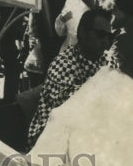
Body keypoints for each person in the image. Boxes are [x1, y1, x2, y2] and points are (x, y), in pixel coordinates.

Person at [26, 8, 113, 146]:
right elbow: (73, 111)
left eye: (110, 37)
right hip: (50, 138)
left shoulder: (106, 61)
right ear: (83, 32)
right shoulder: (63, 64)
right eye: (101, 35)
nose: (106, 42)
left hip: (85, 132)